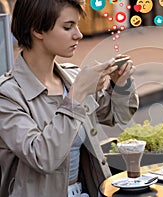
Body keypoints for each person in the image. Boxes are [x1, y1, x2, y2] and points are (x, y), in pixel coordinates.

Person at [0, 0, 139, 197]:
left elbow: (118, 115)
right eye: (68, 27)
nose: (78, 34)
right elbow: (42, 157)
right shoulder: (7, 95)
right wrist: (77, 96)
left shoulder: (72, 77)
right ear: (38, 30)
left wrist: (120, 84)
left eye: (77, 25)